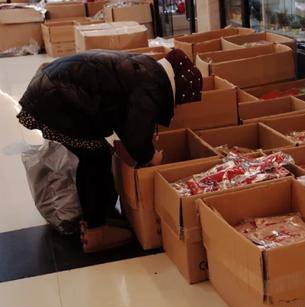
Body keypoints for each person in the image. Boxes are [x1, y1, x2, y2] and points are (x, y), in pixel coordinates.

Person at [17, 48, 203, 253]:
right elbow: (135, 134)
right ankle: (97, 231)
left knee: (94, 156)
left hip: (52, 90)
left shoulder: (148, 70)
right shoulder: (152, 84)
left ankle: (96, 219)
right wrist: (151, 156)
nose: (177, 108)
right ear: (178, 89)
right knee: (95, 160)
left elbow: (125, 116)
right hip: (56, 99)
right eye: (181, 101)